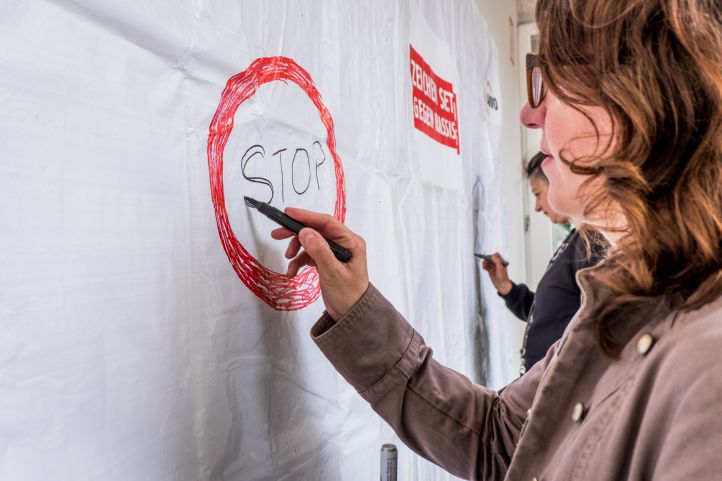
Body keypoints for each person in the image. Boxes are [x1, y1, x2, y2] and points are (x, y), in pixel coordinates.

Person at [271, 0, 722, 479]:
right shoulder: (629, 297)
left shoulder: (707, 368)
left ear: (641, 101)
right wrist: (357, 307)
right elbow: (502, 440)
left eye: (551, 84)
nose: (530, 115)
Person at [483, 151, 602, 374]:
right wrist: (507, 289)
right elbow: (551, 313)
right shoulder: (576, 241)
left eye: (538, 194)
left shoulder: (592, 241)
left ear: (558, 181)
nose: (537, 206)